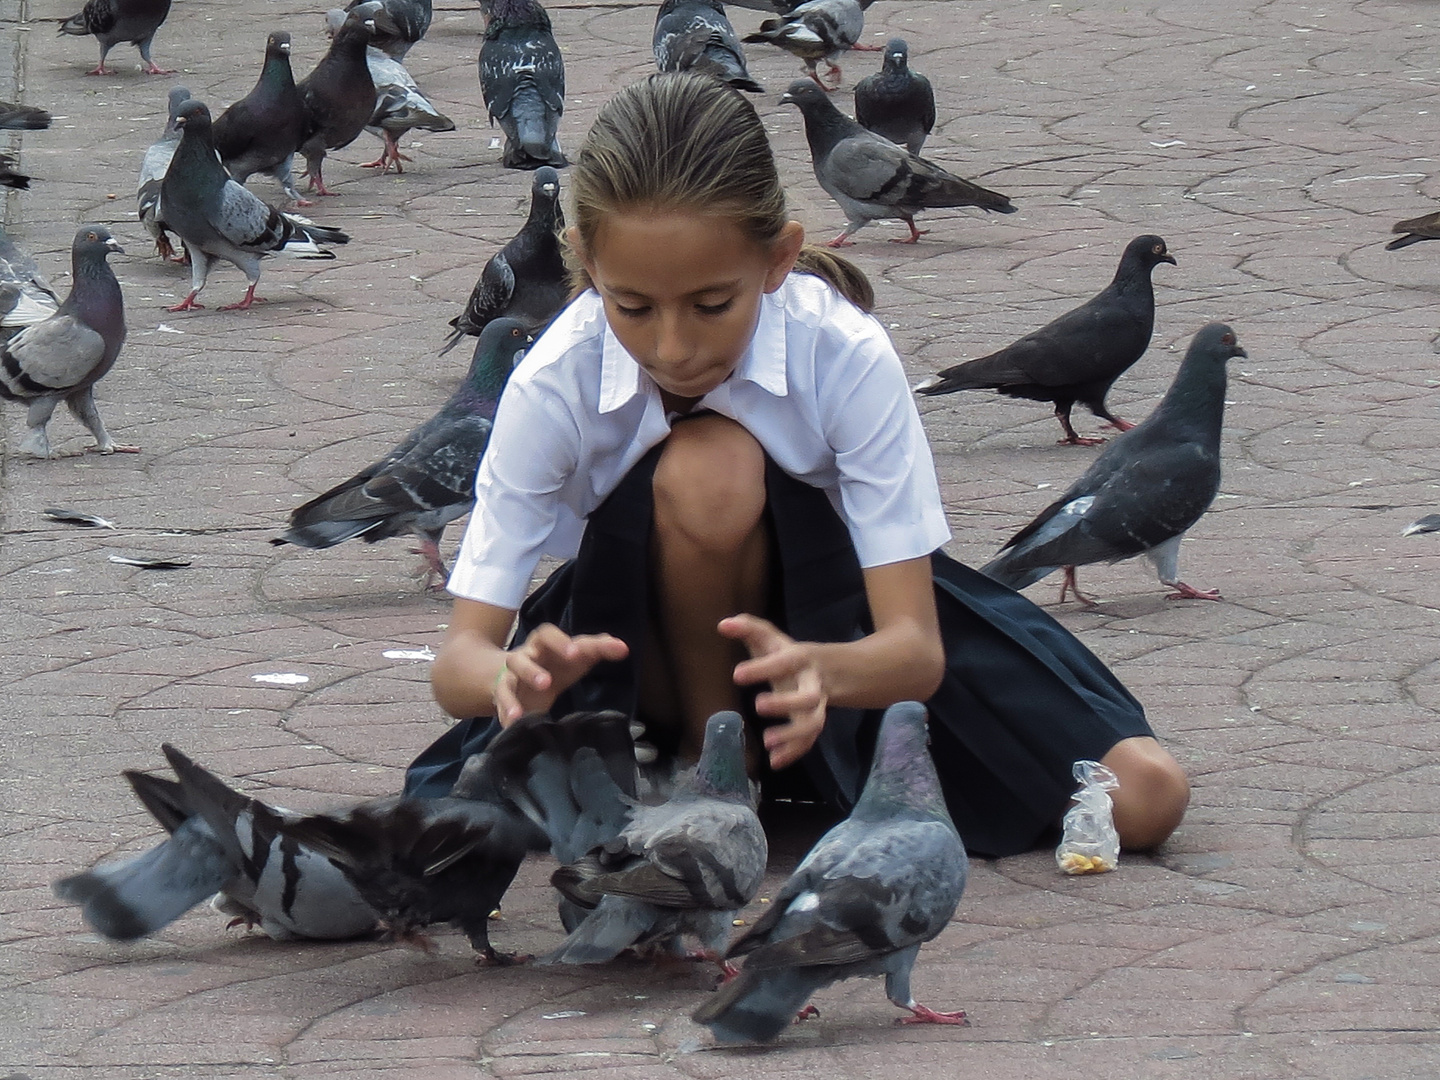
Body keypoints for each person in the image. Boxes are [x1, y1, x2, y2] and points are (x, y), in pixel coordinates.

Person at [415, 71, 1189, 857]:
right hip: (632, 654)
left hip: (841, 637)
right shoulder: (556, 375)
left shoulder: (841, 349)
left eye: (711, 305)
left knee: (1146, 798)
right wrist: (509, 680)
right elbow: (459, 665)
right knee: (707, 464)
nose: (672, 348)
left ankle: (779, 775)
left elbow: (912, 649)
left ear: (780, 258)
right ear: (582, 258)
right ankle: (710, 784)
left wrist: (826, 669)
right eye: (633, 307)